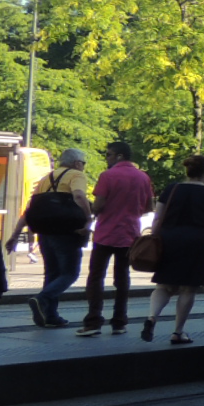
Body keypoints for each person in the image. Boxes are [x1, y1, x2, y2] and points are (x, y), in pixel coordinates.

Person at [143, 154, 204, 344]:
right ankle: (177, 332)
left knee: (163, 285)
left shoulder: (172, 189)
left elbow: (157, 218)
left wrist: (154, 239)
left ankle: (152, 316)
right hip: (198, 243)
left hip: (169, 239)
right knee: (188, 289)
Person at [4, 149, 90, 328]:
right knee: (70, 273)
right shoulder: (76, 175)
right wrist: (89, 219)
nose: (83, 167)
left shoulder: (45, 179)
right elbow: (80, 196)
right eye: (83, 163)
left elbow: (30, 210)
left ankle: (50, 315)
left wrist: (14, 235)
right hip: (67, 233)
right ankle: (42, 299)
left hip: (44, 234)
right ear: (76, 163)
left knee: (52, 274)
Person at [76, 141, 154, 336]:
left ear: (119, 156)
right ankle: (120, 322)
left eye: (109, 154)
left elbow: (98, 205)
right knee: (122, 278)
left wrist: (94, 209)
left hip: (106, 234)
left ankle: (93, 321)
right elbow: (148, 208)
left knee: (96, 277)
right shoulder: (143, 177)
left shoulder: (107, 176)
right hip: (130, 235)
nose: (107, 158)